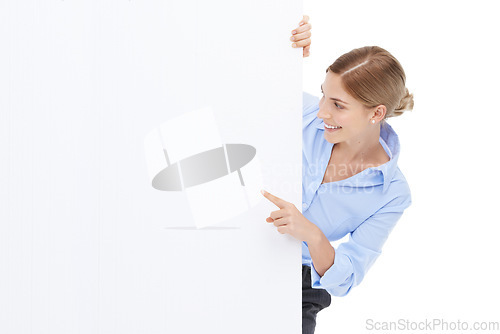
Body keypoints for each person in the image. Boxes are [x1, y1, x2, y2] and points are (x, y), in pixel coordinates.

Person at [261, 15, 414, 334]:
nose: (321, 111)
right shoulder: (300, 113)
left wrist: (312, 234)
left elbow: (346, 276)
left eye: (338, 105)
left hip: (300, 284)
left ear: (376, 113)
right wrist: (278, 49)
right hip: (238, 244)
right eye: (322, 95)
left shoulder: (392, 194)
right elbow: (236, 81)